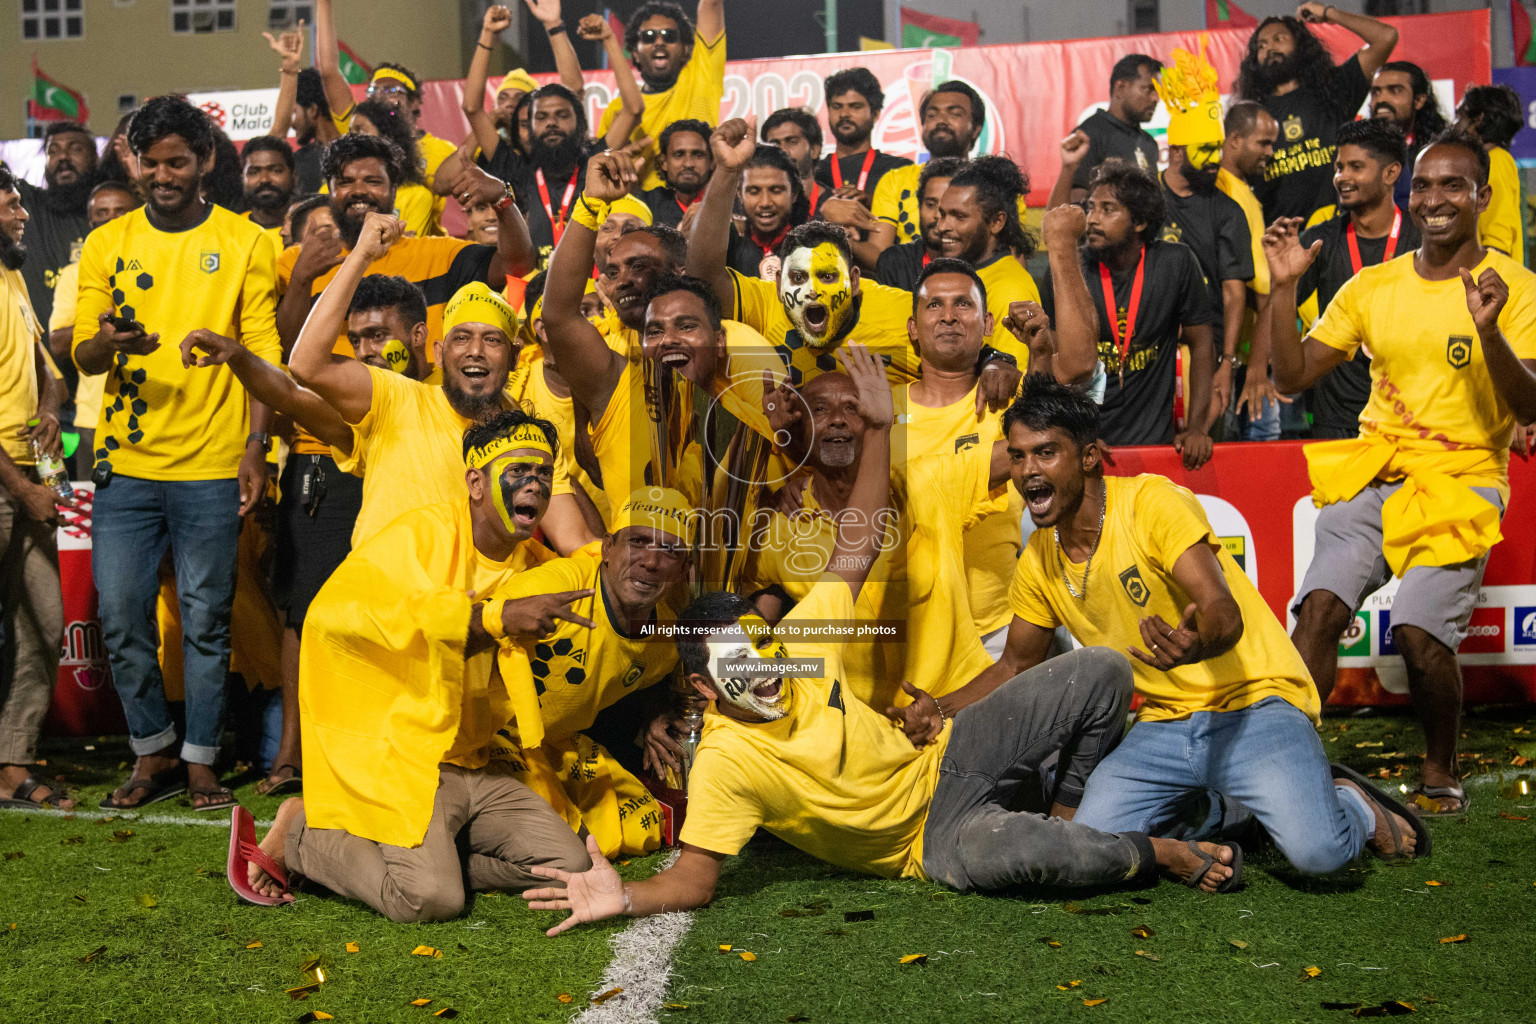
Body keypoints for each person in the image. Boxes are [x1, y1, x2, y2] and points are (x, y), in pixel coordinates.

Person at [520, 349, 1250, 934]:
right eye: (741, 664)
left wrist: (876, 430)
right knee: (1023, 858)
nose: (767, 669)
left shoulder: (798, 649)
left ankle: (1069, 812)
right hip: (925, 848)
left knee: (1097, 670)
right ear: (706, 690)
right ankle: (1154, 851)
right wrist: (625, 897)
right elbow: (692, 879)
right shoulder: (725, 763)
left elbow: (859, 540)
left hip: (949, 759)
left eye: (765, 649)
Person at [954, 373, 1427, 876]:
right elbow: (1013, 664)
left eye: (1045, 453)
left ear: (1089, 456)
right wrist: (937, 708)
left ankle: (1350, 802)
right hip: (1161, 727)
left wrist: (1196, 644)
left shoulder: (1151, 503)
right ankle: (1231, 810)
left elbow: (1223, 611)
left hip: (1254, 707)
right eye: (1019, 456)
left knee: (1320, 857)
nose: (1028, 471)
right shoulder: (1038, 559)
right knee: (1095, 843)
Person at [229, 411, 594, 919]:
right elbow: (341, 616)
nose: (533, 484)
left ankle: (429, 854)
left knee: (571, 863)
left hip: (473, 762)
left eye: (542, 475)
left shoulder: (532, 563)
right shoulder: (421, 533)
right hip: (401, 758)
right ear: (475, 482)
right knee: (429, 899)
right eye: (518, 471)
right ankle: (300, 836)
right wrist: (490, 619)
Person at [1267, 129, 1536, 816]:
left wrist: (1490, 329)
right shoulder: (1372, 284)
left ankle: (1440, 764)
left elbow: (1530, 402)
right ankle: (1283, 763)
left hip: (1463, 479)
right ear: (1409, 193)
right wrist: (1282, 289)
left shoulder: (1518, 289)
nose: (1436, 199)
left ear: (1482, 196)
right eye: (1425, 185)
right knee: (1318, 611)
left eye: (1453, 186)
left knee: (1418, 637)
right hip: (1376, 470)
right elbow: (1292, 376)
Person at [73, 96, 280, 811]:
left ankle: (200, 761)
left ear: (205, 163)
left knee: (205, 618)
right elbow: (85, 356)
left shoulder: (247, 241)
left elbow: (262, 351)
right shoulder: (107, 243)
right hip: (125, 466)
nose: (161, 174)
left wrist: (257, 444)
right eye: (149, 161)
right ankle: (151, 751)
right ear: (133, 161)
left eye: (176, 162)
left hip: (214, 465)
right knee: (123, 614)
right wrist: (108, 342)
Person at [287, 211, 594, 555]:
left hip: (474, 602)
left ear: (514, 356)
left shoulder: (526, 435)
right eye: (461, 338)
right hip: (389, 599)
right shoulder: (396, 398)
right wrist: (361, 255)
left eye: (492, 340)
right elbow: (304, 365)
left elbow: (575, 542)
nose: (475, 351)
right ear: (438, 351)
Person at [486, 486, 692, 857]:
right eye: (638, 542)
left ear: (684, 570)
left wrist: (654, 716)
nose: (651, 561)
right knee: (568, 850)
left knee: (639, 830)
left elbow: (646, 678)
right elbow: (467, 631)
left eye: (670, 551)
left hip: (554, 744)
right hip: (486, 737)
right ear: (608, 548)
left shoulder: (666, 642)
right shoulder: (559, 584)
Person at [275, 132, 534, 354]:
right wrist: (301, 279)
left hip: (424, 406)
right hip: (334, 408)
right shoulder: (298, 262)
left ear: (394, 190)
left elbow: (517, 266)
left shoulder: (440, 255)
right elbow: (287, 348)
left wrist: (502, 199)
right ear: (328, 190)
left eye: (373, 181)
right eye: (344, 182)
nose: (358, 190)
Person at [1041, 162, 1216, 467]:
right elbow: (1054, 361)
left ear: (1140, 222)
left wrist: (1197, 427)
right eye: (1091, 207)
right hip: (1088, 448)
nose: (1093, 219)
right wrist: (1075, 433)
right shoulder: (1070, 269)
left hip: (1156, 447)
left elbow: (1202, 345)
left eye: (1108, 209)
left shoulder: (1176, 264)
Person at [0, 166, 71, 812]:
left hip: (24, 481)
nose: (22, 214)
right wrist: (23, 491)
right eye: (10, 204)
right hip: (8, 486)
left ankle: (12, 764)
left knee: (45, 624)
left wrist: (51, 409)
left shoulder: (13, 277)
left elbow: (49, 370)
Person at [1150, 48, 1253, 434]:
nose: (1216, 158)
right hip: (1148, 352)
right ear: (1176, 151)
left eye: (1218, 147)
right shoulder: (1143, 200)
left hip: (1204, 354)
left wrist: (1227, 365)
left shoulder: (1228, 211)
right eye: (1206, 148)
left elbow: (1233, 294)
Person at [1296, 119, 1418, 441]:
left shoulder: (1423, 241)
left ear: (1391, 173)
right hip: (1336, 420)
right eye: (1339, 168)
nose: (1342, 178)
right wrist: (1257, 372)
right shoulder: (1319, 241)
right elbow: (1277, 307)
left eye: (1355, 167)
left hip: (1409, 418)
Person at [1237, 3, 1397, 224]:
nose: (1269, 48)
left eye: (1279, 39)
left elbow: (1386, 37)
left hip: (1339, 234)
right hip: (1280, 242)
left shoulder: (1335, 89)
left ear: (1300, 45)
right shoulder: (1250, 115)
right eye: (1261, 46)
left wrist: (1328, 13)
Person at [47, 181, 139, 468]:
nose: (110, 220)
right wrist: (108, 326)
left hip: (159, 411)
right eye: (102, 213)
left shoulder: (165, 266)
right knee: (96, 509)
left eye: (120, 212)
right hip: (94, 417)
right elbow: (59, 343)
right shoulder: (73, 274)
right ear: (90, 221)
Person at [599, 0, 726, 189]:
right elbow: (599, 170)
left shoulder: (702, 77)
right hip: (643, 214)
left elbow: (711, 5)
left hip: (701, 207)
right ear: (634, 52)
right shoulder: (618, 111)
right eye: (649, 37)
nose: (659, 42)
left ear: (685, 49)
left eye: (670, 35)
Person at [932, 156, 1045, 364]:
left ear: (996, 222)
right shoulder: (971, 276)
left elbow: (1012, 385)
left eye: (959, 216)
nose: (942, 227)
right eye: (943, 214)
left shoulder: (1010, 290)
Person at [1217, 101, 1284, 440]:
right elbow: (1262, 292)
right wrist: (1259, 364)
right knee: (1260, 455)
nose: (1271, 152)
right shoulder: (1230, 193)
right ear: (1234, 140)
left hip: (1245, 355)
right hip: (1240, 362)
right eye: (1263, 143)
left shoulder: (1242, 190)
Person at [871, 81, 987, 250]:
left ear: (976, 129)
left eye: (954, 114)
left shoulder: (994, 186)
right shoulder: (895, 180)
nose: (941, 121)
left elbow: (1012, 260)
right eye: (932, 115)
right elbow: (879, 253)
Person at [15, 121, 96, 331]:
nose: (63, 157)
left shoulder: (113, 210)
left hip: (102, 357)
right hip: (37, 359)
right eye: (53, 151)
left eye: (75, 149)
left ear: (95, 158)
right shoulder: (26, 205)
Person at [1065, 54, 1163, 205]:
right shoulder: (1088, 135)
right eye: (1148, 89)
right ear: (1120, 87)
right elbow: (1074, 199)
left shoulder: (1149, 143)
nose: (1156, 98)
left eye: (1158, 91)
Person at [815, 67, 911, 206]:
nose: (844, 114)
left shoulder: (900, 170)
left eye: (855, 106)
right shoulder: (816, 173)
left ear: (876, 114)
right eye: (837, 106)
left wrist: (872, 203)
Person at [871, 157, 966, 292]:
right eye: (931, 205)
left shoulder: (983, 263)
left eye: (950, 205)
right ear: (919, 207)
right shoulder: (894, 262)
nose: (937, 215)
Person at [1454, 84, 1524, 266]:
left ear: (1478, 119)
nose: (1453, 124)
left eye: (1459, 116)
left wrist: (1487, 284)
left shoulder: (1497, 161)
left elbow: (1497, 237)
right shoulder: (1482, 162)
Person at [262, 20, 333, 195]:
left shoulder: (352, 152)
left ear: (313, 110)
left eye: (294, 112)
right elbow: (275, 138)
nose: (292, 123)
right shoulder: (296, 164)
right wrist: (289, 68)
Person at [1370, 61, 1447, 208]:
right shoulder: (1359, 152)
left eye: (1395, 90)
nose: (1381, 99)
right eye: (1376, 92)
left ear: (1418, 101)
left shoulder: (1441, 152)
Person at [727, 145, 811, 279]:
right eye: (754, 192)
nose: (765, 202)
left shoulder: (813, 245)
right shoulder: (730, 244)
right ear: (740, 195)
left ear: (794, 193)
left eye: (776, 190)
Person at [637, 119, 713, 229]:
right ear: (664, 162)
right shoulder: (648, 203)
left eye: (698, 155)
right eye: (679, 154)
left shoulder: (730, 204)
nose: (688, 164)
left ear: (712, 162)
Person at [240, 136, 297, 259]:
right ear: (242, 180)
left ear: (294, 177)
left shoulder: (310, 230)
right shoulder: (229, 231)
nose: (264, 179)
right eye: (254, 172)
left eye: (276, 171)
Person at [762, 108, 825, 216]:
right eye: (775, 144)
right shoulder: (757, 209)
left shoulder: (839, 207)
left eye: (792, 142)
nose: (783, 150)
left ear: (814, 150)